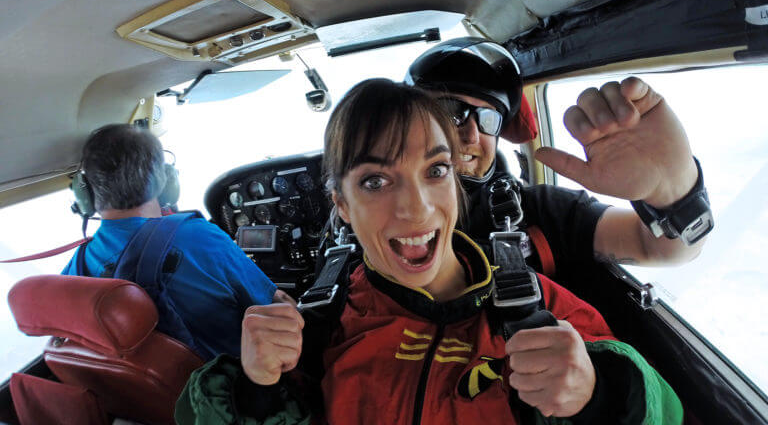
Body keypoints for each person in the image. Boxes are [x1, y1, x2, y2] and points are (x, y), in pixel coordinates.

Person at [176, 80, 682, 424]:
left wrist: (596, 395)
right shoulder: (321, 326)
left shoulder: (544, 314)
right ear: (342, 206)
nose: (416, 209)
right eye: (375, 181)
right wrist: (258, 388)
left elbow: (668, 413)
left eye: (435, 171)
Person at [406, 37, 711, 280]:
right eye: (451, 112)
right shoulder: (366, 215)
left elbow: (659, 249)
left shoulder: (536, 211)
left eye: (489, 118)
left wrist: (673, 194)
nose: (472, 135)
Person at [61, 124, 277, 360]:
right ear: (163, 179)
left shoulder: (76, 267)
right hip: (231, 386)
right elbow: (271, 305)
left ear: (86, 193)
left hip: (148, 393)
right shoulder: (200, 237)